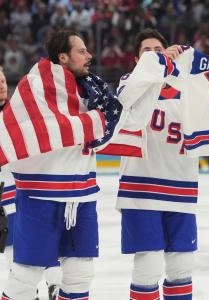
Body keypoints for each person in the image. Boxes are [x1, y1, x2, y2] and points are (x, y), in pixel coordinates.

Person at [0, 29, 122, 300]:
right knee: (25, 276)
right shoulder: (35, 85)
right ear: (63, 57)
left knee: (80, 274)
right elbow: (46, 129)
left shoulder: (93, 90)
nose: (89, 56)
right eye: (81, 51)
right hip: (39, 197)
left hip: (82, 195)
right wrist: (93, 121)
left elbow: (114, 119)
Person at [116, 28, 197, 300]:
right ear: (136, 59)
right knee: (147, 266)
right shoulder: (128, 84)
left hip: (182, 189)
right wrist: (159, 67)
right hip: (140, 190)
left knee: (181, 268)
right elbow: (128, 100)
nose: (152, 55)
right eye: (146, 52)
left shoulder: (189, 88)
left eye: (158, 51)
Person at [0, 66, 61, 300]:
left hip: (30, 192)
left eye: (4, 79)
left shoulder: (20, 114)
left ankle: (56, 287)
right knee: (15, 258)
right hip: (6, 202)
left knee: (48, 248)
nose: (2, 84)